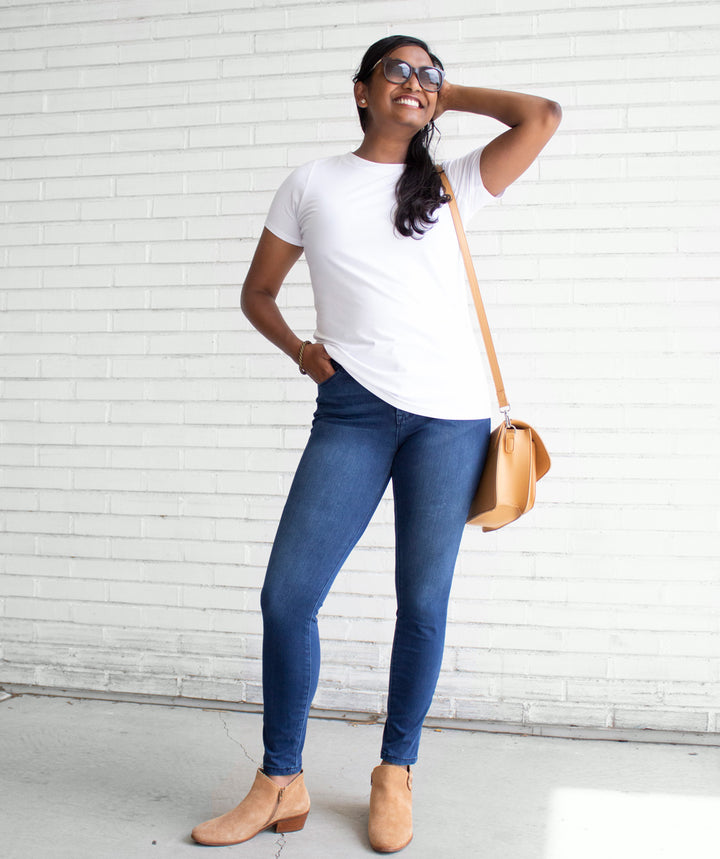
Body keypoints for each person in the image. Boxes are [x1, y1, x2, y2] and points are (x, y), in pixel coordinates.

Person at [191, 34, 561, 853]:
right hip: (352, 410)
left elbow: (540, 115)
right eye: (398, 70)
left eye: (428, 74)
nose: (415, 82)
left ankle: (395, 771)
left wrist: (442, 94)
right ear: (360, 89)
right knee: (288, 597)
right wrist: (301, 352)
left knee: (422, 603)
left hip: (450, 419)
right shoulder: (312, 183)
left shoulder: (452, 182)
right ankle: (280, 779)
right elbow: (258, 292)